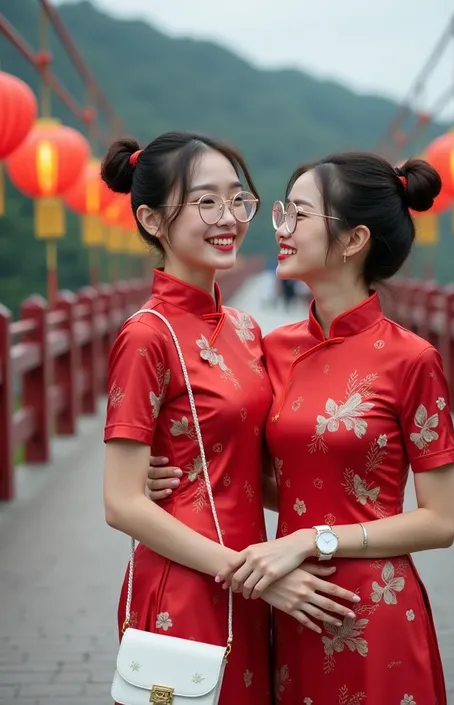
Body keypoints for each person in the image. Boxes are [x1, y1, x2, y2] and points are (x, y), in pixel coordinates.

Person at [147, 153, 454, 705]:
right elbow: (278, 479)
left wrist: (313, 539)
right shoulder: (273, 349)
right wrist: (183, 474)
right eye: (281, 213)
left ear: (354, 237)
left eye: (299, 215)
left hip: (373, 605)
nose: (281, 231)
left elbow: (441, 521)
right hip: (289, 605)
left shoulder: (414, 360)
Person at [101, 132, 360, 705]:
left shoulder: (244, 330)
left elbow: (249, 466)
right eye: (205, 202)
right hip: (190, 582)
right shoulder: (147, 335)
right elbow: (121, 503)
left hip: (250, 577)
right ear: (151, 219)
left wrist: (351, 524)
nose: (229, 218)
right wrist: (256, 575)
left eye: (237, 200)